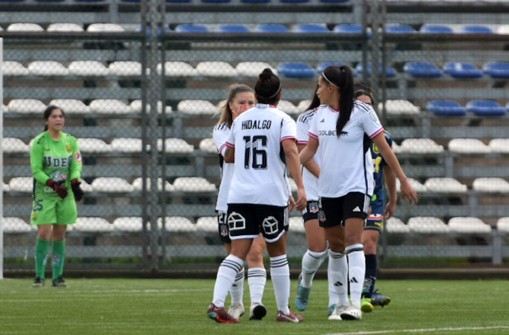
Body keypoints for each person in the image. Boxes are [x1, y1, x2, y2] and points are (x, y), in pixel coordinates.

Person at [299, 65, 417, 320]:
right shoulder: (319, 114)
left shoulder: (363, 112)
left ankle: (354, 303)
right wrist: (289, 175)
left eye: (320, 85)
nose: (317, 90)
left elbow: (385, 150)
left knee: (354, 241)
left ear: (332, 88)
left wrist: (403, 180)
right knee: (336, 247)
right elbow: (309, 151)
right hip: (327, 191)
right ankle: (340, 304)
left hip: (356, 188)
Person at [207, 68, 307, 323]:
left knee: (236, 253)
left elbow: (228, 155)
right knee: (278, 254)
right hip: (270, 195)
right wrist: (301, 187)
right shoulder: (284, 119)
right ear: (279, 95)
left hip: (239, 195)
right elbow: (291, 152)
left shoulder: (240, 120)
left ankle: (217, 304)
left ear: (258, 95)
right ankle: (284, 311)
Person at [213, 83, 268, 320]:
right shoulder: (223, 129)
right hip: (229, 200)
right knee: (234, 255)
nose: (247, 107)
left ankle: (257, 303)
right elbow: (231, 155)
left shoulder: (266, 125)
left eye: (251, 103)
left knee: (255, 252)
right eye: (242, 103)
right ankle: (236, 304)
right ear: (232, 107)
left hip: (257, 199)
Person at [295, 91, 342, 316]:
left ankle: (335, 300)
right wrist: (327, 177)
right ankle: (305, 281)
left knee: (336, 248)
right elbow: (306, 154)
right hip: (315, 191)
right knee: (316, 248)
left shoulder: (349, 117)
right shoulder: (306, 118)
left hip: (340, 191)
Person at [30, 105, 84, 288]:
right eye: (54, 116)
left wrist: (75, 182)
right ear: (46, 121)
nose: (58, 119)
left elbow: (76, 164)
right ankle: (38, 276)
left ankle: (57, 276)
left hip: (64, 195)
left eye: (61, 116)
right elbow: (37, 171)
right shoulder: (39, 142)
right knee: (44, 232)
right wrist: (54, 185)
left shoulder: (71, 141)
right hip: (45, 194)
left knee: (60, 234)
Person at [354, 86, 397, 313]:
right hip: (350, 196)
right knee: (350, 246)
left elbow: (389, 168)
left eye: (368, 105)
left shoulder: (384, 138)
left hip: (375, 199)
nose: (365, 109)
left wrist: (394, 197)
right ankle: (351, 291)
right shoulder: (348, 136)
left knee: (369, 243)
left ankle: (365, 295)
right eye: (360, 105)